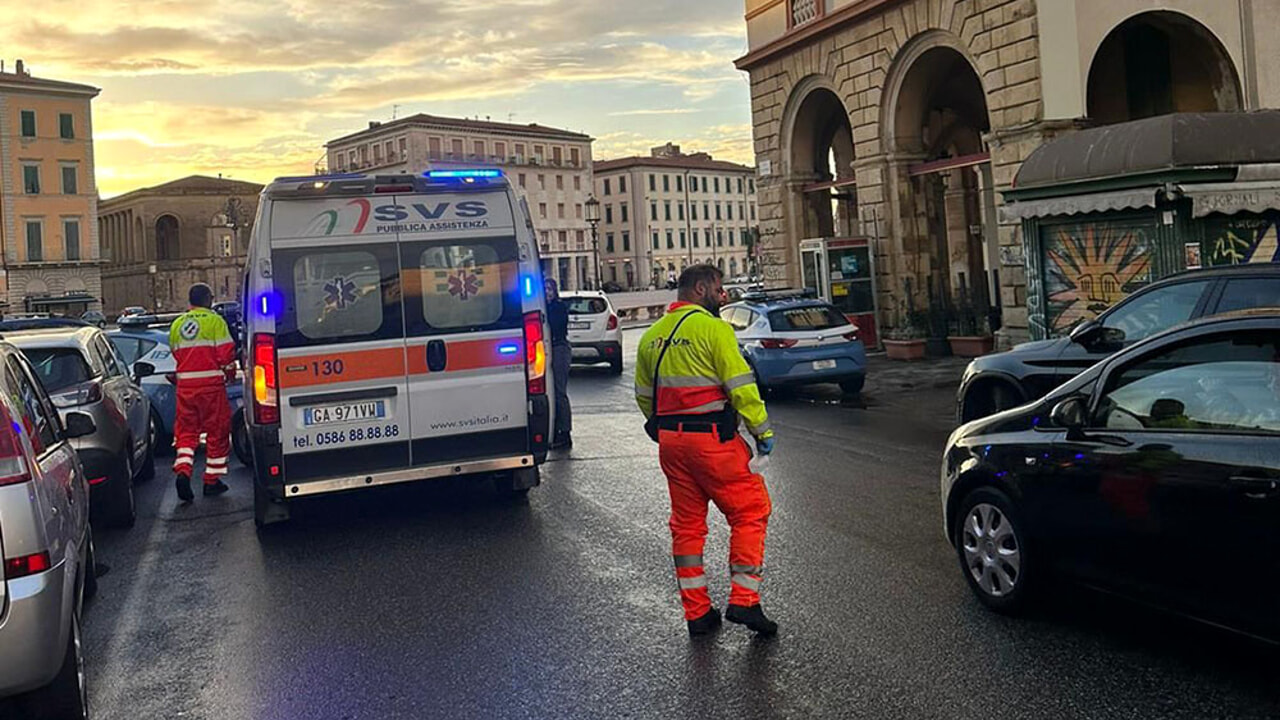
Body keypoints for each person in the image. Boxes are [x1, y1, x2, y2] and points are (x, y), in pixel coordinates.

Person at [634, 264, 777, 637]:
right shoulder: (715, 330)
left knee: (686, 527)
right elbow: (741, 386)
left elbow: (644, 398)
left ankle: (697, 613)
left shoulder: (651, 337)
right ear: (700, 289)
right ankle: (744, 602)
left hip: (672, 444)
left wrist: (668, 430)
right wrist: (762, 432)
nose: (724, 295)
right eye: (719, 289)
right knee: (750, 511)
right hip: (713, 442)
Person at [169, 283, 236, 501]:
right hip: (211, 388)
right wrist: (230, 373)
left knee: (186, 433)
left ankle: (183, 471)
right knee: (217, 432)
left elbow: (176, 353)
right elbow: (226, 354)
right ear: (207, 299)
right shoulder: (216, 321)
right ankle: (211, 481)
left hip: (185, 389)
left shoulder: (178, 324)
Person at [546, 278, 572, 449]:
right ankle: (554, 429)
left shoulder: (558, 307)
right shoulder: (544, 306)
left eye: (549, 289)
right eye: (545, 289)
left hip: (559, 348)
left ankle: (565, 432)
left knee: (559, 391)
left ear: (554, 291)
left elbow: (557, 326)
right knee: (550, 391)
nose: (547, 292)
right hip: (548, 348)